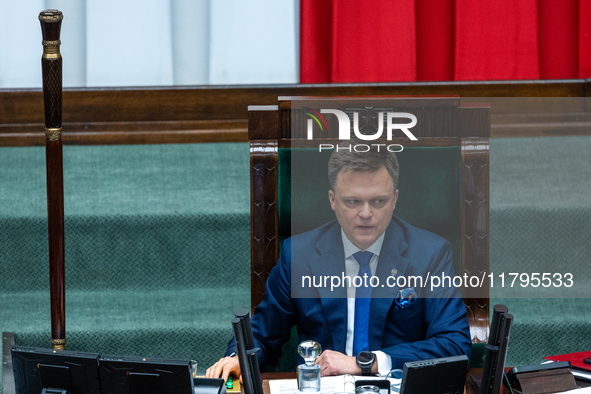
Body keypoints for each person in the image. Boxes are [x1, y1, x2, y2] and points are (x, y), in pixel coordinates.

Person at [206, 142, 471, 381]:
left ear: (395, 200)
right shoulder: (298, 254)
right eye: (353, 201)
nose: (366, 214)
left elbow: (455, 344)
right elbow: (262, 335)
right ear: (333, 200)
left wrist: (365, 364)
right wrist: (237, 358)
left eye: (378, 201)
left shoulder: (430, 254)